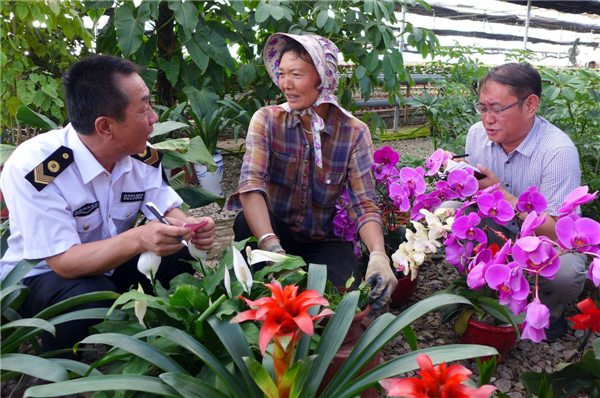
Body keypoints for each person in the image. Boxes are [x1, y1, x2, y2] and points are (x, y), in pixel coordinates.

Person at [0, 55, 216, 354]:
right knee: (90, 296)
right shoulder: (37, 168)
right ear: (105, 127)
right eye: (144, 108)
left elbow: (165, 207)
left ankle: (157, 338)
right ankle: (61, 366)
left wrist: (187, 228)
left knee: (177, 254)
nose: (154, 117)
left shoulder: (141, 154)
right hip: (43, 281)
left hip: (110, 264)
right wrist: (140, 237)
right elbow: (64, 262)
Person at [226, 33, 397, 309]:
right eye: (281, 74)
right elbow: (251, 185)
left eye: (296, 74)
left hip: (324, 240)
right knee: (246, 228)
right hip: (276, 229)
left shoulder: (353, 133)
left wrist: (378, 254)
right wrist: (270, 245)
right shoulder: (268, 121)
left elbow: (363, 203)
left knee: (348, 305)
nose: (286, 84)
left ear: (322, 78)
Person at [449, 62, 587, 341]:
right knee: (446, 215)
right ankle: (484, 287)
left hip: (543, 240)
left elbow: (560, 231)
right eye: (483, 108)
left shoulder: (557, 152)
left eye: (497, 109)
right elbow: (471, 195)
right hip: (496, 229)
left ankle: (546, 312)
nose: (488, 118)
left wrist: (502, 195)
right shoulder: (477, 133)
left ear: (530, 104)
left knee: (566, 274)